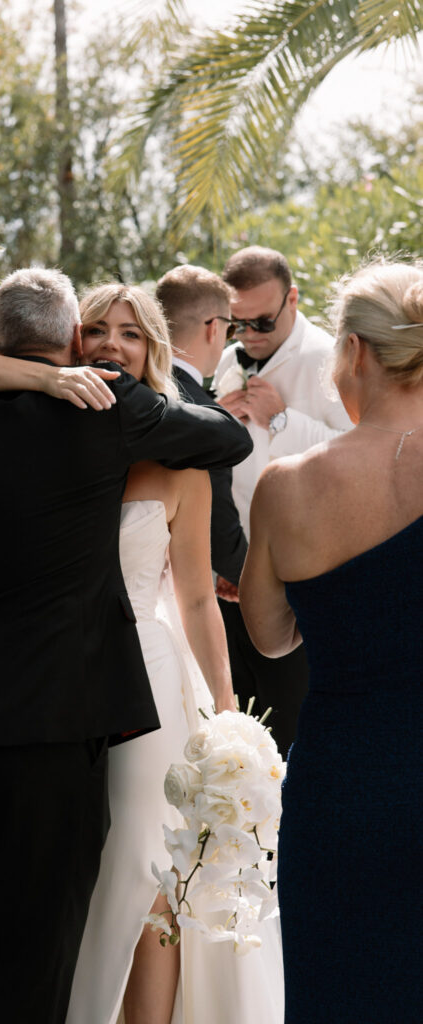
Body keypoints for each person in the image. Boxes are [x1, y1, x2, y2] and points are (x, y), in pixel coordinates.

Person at [0, 282, 283, 1024]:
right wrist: (59, 382)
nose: (112, 347)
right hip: (64, 709)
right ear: (71, 342)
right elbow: (229, 440)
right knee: (39, 935)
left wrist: (221, 707)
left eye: (129, 334)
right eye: (95, 331)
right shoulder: (103, 420)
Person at [239, 258, 423, 1023]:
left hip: (344, 785)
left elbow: (270, 637)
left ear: (350, 351)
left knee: (340, 989)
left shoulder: (287, 486)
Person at [213, 246, 352, 757]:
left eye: (262, 323)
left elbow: (357, 455)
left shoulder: (330, 359)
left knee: (292, 724)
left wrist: (281, 420)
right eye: (236, 324)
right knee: (245, 730)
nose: (248, 336)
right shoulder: (227, 360)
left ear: (292, 298)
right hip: (232, 576)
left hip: (304, 576)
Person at [155, 264, 248, 590]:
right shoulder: (206, 421)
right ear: (213, 328)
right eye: (231, 328)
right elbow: (221, 541)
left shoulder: (131, 392)